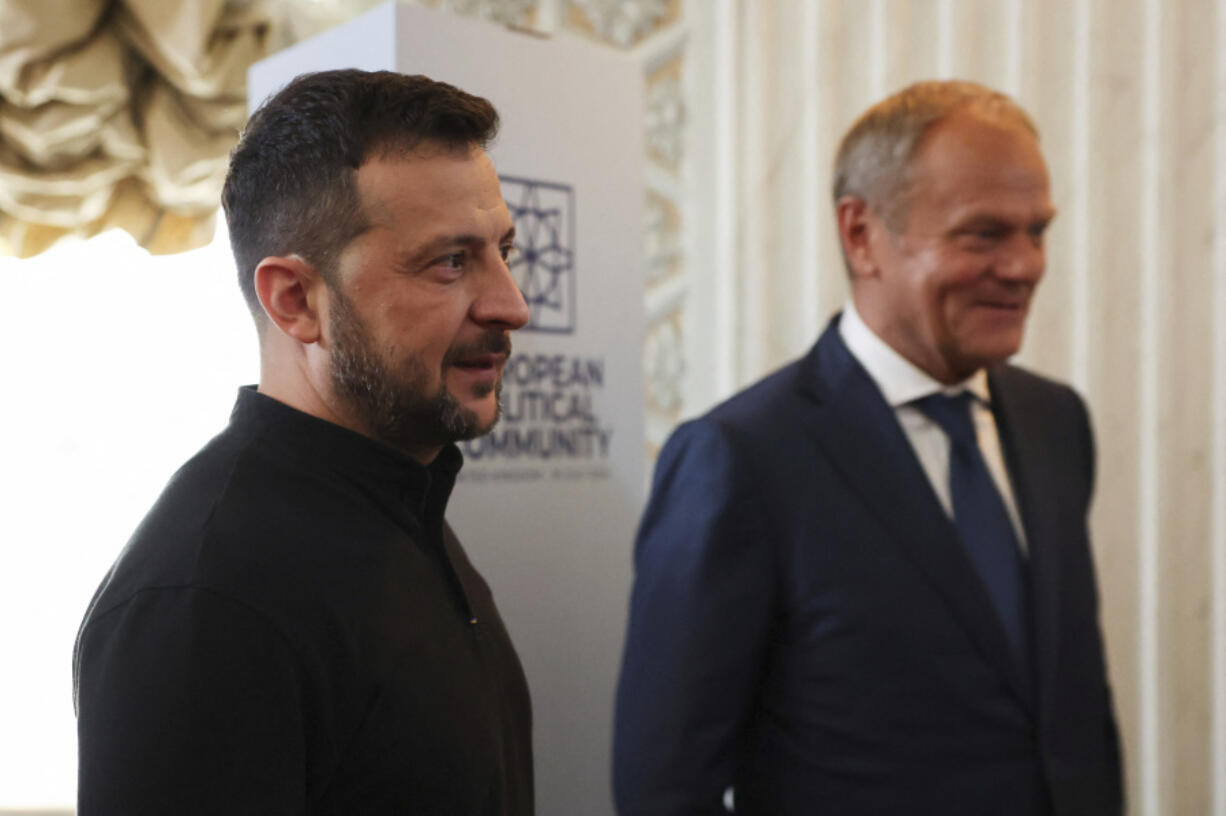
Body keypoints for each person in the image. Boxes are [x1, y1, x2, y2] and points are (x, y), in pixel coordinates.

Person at [614, 80, 1122, 815]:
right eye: (982, 233)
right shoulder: (741, 459)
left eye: (1036, 231)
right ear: (861, 235)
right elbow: (665, 786)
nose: (1023, 267)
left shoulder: (1056, 423)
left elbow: (1075, 718)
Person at [73, 70, 534, 814]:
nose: (511, 304)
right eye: (450, 262)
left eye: (503, 251)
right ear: (296, 300)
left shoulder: (406, 507)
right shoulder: (205, 602)